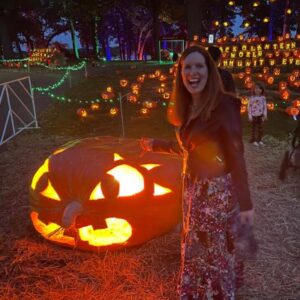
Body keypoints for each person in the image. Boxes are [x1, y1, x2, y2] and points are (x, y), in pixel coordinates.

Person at [140, 45, 256, 299]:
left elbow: (236, 156)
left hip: (216, 193)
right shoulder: (189, 107)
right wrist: (156, 145)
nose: (193, 72)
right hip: (193, 190)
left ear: (210, 71)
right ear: (181, 74)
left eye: (199, 66)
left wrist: (246, 204)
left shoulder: (225, 106)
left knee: (214, 253)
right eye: (187, 67)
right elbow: (193, 149)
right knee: (195, 247)